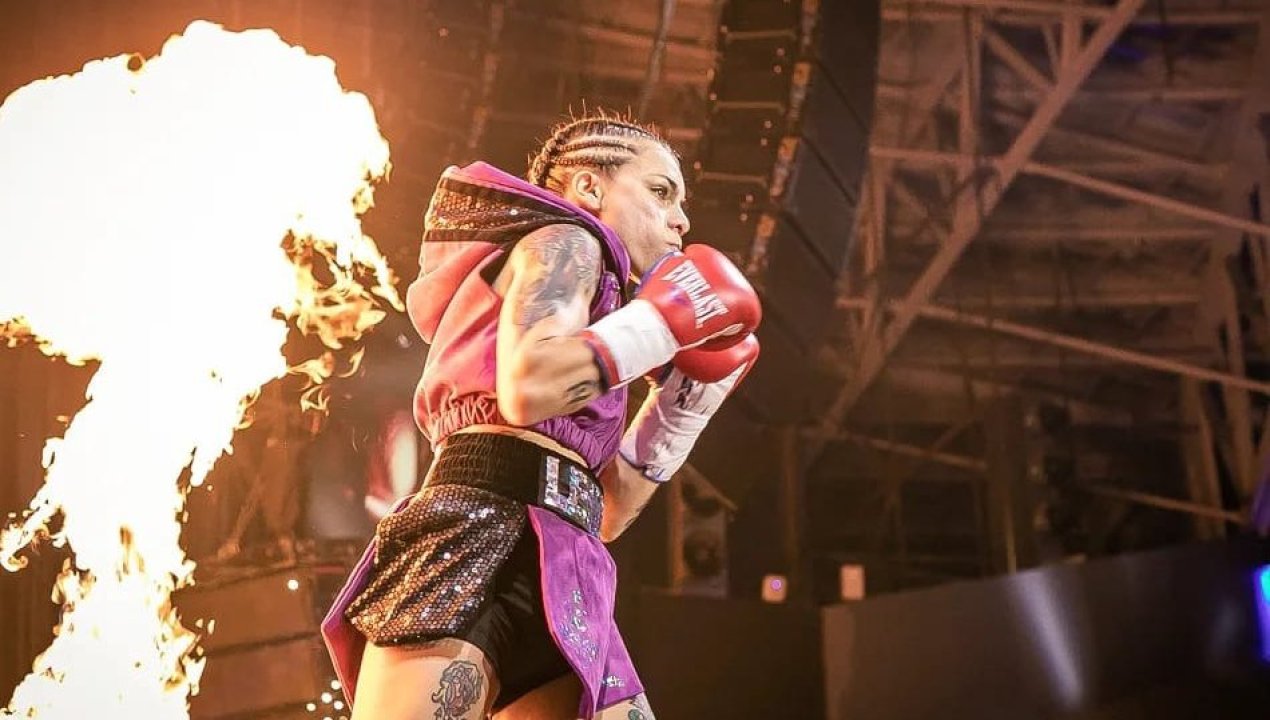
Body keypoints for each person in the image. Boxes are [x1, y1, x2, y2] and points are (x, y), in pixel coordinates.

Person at [321, 112, 761, 720]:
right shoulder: (566, 241)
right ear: (589, 187)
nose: (680, 219)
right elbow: (530, 386)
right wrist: (661, 325)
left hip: (567, 557)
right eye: (661, 191)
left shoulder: (605, 326)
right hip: (477, 529)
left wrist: (682, 408)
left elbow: (607, 512)